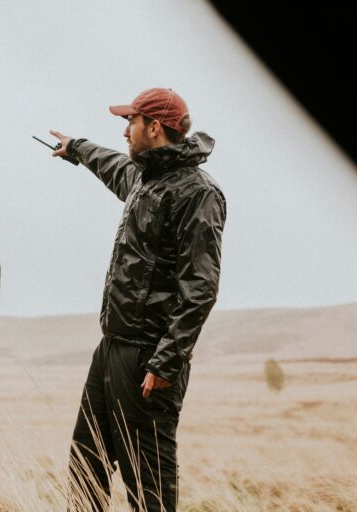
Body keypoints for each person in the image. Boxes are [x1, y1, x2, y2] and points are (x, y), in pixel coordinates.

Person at [50, 88, 226, 511]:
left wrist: (166, 361)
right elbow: (111, 166)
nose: (124, 129)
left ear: (154, 127)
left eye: (130, 121)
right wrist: (76, 148)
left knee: (148, 486)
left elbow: (200, 286)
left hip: (149, 358)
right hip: (111, 347)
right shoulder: (143, 177)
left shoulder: (198, 192)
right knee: (86, 463)